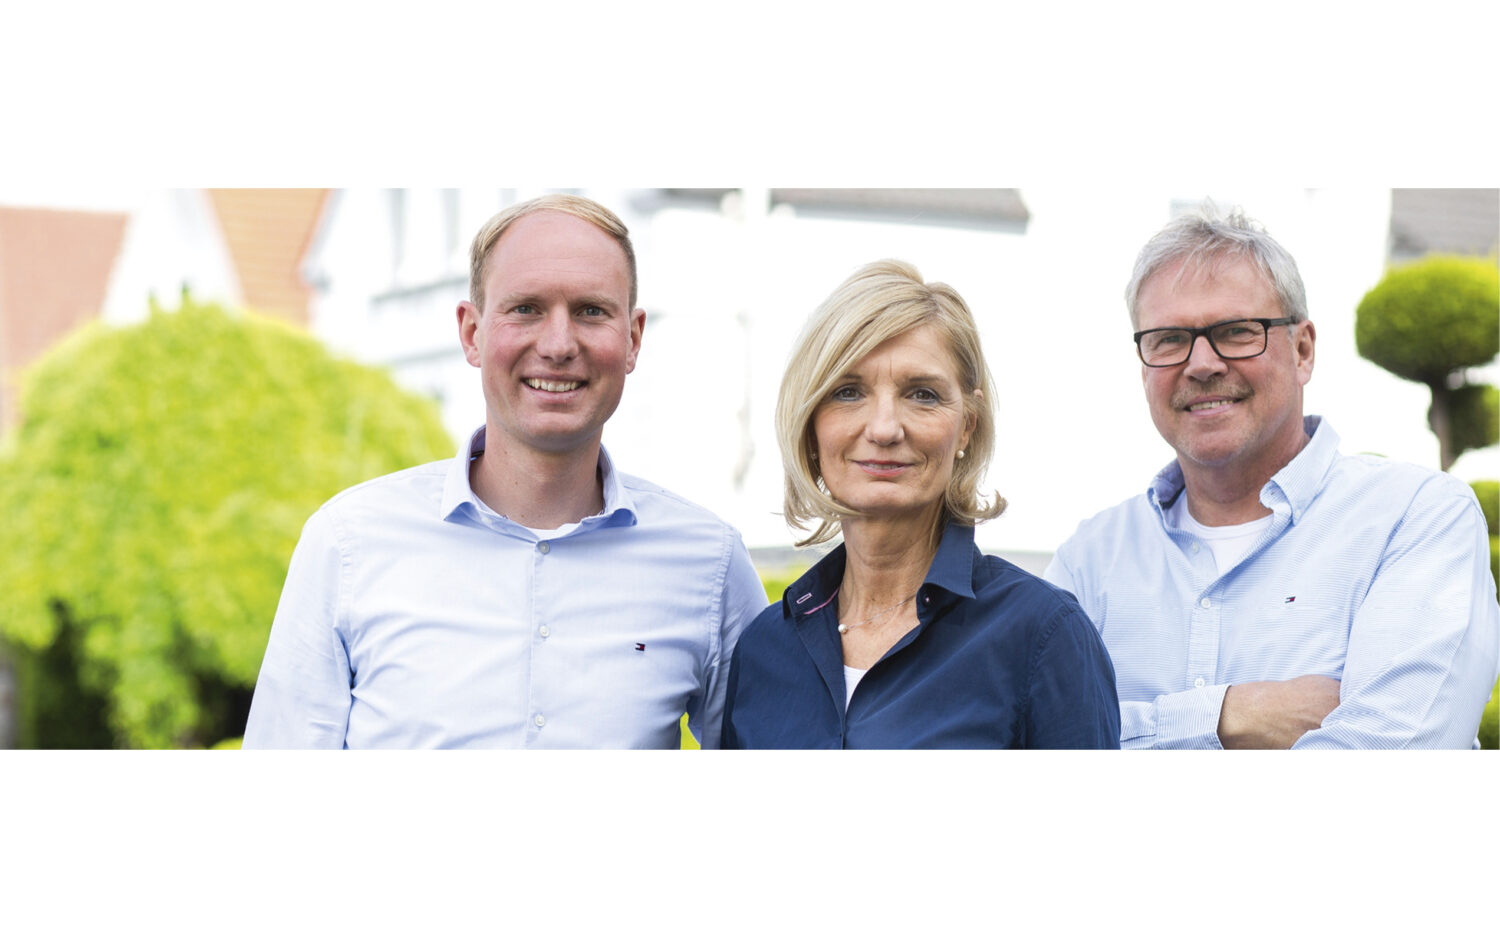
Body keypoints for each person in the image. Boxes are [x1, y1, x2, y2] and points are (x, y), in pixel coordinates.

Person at [243, 194, 766, 748]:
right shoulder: (348, 545)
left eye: (591, 311)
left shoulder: (709, 566)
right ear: (472, 333)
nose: (559, 345)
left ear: (633, 339)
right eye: (526, 309)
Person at [1045, 205, 1500, 749]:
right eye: (1168, 339)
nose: (1201, 364)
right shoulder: (1089, 560)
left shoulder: (1414, 519)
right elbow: (1021, 745)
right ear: (1144, 365)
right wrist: (1230, 715)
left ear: (1302, 351)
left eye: (1237, 332)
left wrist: (1121, 730)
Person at [721, 260, 1120, 748]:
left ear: (967, 426)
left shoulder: (1044, 636)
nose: (885, 428)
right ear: (811, 424)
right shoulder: (763, 647)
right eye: (848, 392)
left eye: (923, 395)